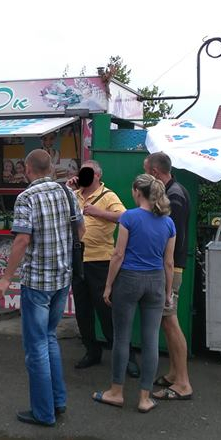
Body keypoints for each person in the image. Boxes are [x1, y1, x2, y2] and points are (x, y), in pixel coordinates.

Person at [0, 149, 84, 427]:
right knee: (50, 337)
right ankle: (58, 401)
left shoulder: (26, 197)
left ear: (27, 170)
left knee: (36, 347)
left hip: (37, 283)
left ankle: (43, 413)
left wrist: (6, 277)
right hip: (62, 278)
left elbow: (22, 240)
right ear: (51, 168)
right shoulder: (67, 193)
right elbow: (81, 231)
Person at [93, 174, 175, 413]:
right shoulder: (168, 223)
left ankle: (116, 393)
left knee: (122, 337)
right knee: (151, 340)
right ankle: (145, 398)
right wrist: (168, 292)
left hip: (129, 280)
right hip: (156, 281)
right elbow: (168, 262)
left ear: (138, 191)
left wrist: (108, 285)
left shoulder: (129, 217)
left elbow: (118, 254)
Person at [65, 161, 139, 377]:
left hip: (101, 262)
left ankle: (126, 357)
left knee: (107, 311)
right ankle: (92, 351)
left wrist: (99, 212)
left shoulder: (108, 196)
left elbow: (125, 217)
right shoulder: (73, 195)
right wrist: (67, 189)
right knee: (83, 311)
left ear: (97, 175)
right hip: (78, 260)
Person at [144, 152, 194, 401]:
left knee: (170, 321)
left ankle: (183, 383)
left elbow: (174, 239)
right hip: (170, 268)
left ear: (155, 172)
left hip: (170, 269)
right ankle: (174, 373)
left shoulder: (174, 197)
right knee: (166, 321)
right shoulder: (174, 191)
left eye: (146, 172)